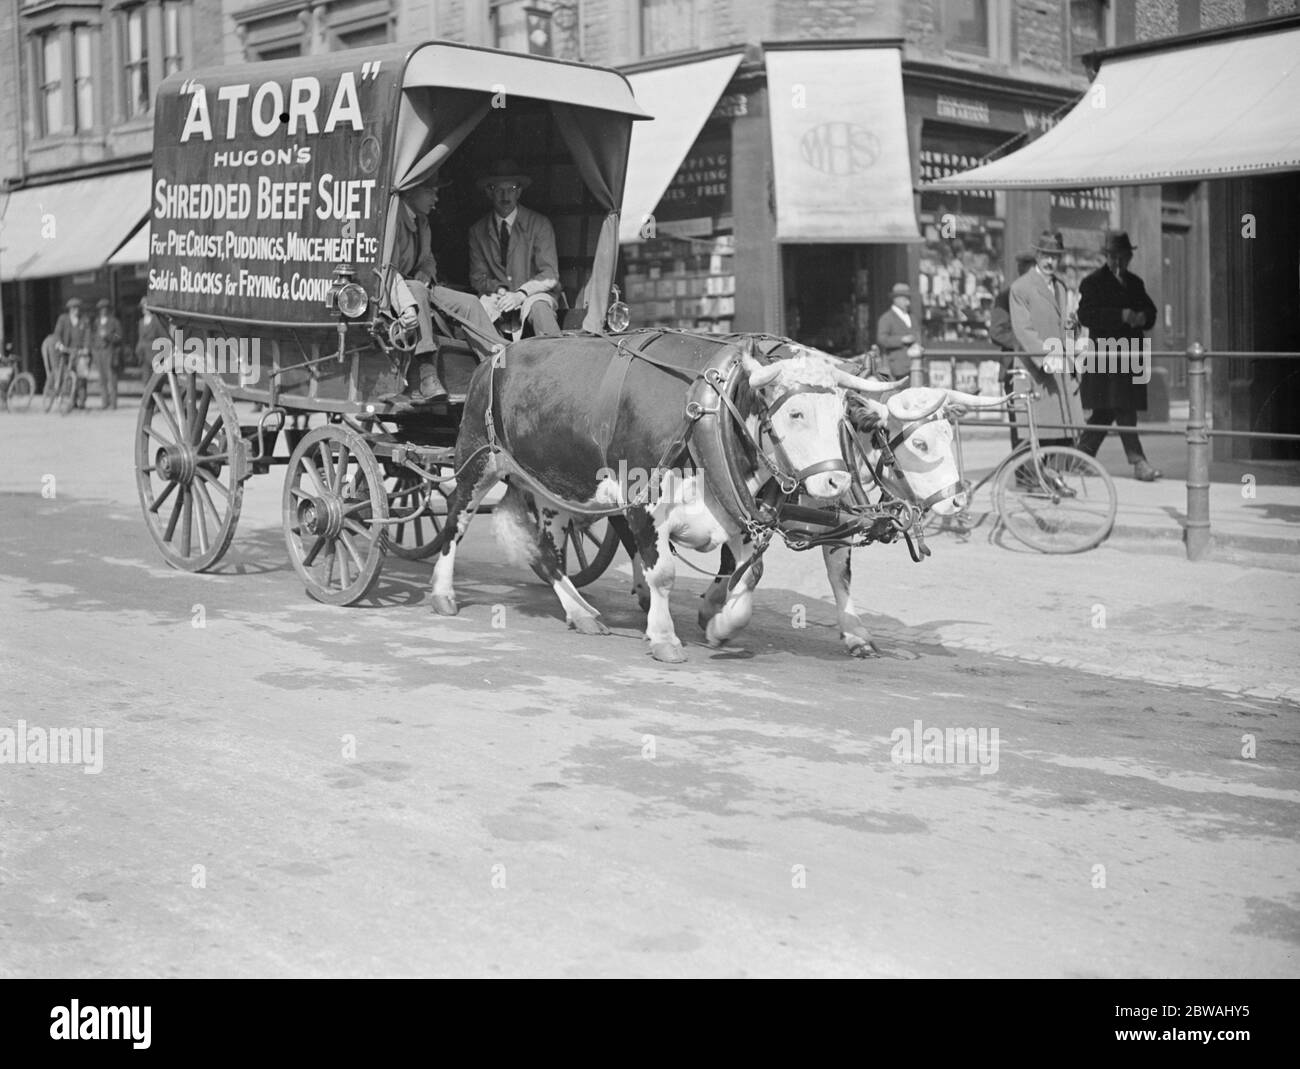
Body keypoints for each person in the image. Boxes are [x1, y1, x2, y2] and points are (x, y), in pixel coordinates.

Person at [386, 173, 506, 405]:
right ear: (411, 191)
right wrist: (407, 303)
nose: (436, 199)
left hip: (419, 286)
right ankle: (427, 375)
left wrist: (425, 272)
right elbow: (386, 270)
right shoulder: (394, 219)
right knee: (417, 291)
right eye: (431, 192)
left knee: (469, 302)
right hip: (395, 292)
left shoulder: (421, 222)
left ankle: (498, 366)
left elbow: (428, 259)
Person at [1077, 230, 1161, 481]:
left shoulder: (1135, 283)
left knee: (1107, 410)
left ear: (1129, 257)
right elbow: (1086, 316)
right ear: (1106, 257)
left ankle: (1081, 455)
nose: (1118, 262)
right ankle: (1138, 462)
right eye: (1113, 257)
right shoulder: (1092, 282)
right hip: (1106, 356)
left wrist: (1143, 316)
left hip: (1129, 356)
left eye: (1122, 257)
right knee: (1123, 407)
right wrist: (1120, 315)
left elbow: (1151, 310)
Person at [468, 159, 561, 339]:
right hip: (498, 296)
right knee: (483, 311)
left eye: (511, 189)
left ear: (519, 192)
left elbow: (549, 273)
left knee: (539, 308)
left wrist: (520, 294)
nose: (505, 196)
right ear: (489, 192)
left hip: (533, 294)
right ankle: (496, 364)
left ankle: (557, 361)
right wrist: (501, 290)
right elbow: (478, 277)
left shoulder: (539, 224)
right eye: (499, 190)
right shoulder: (477, 231)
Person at [1009, 230, 1084, 452]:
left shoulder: (1060, 287)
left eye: (1055, 257)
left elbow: (1065, 324)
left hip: (1060, 369)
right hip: (1038, 370)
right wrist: (1045, 357)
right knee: (1040, 432)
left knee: (1064, 432)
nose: (1050, 261)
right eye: (1046, 256)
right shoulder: (1021, 287)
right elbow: (1023, 329)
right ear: (1037, 255)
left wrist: (1072, 330)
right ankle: (1039, 480)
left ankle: (1056, 478)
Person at [989, 251, 1036, 449]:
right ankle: (1024, 474)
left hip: (1037, 367)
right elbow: (997, 332)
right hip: (1016, 367)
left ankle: (1041, 471)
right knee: (1020, 424)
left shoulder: (1041, 296)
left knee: (1039, 423)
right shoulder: (1006, 296)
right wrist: (1024, 344)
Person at [53, 297, 91, 410]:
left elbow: (88, 335)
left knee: (81, 377)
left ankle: (82, 401)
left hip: (79, 352)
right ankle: (72, 400)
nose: (76, 310)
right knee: (68, 376)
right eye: (74, 308)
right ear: (69, 309)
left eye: (78, 308)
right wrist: (59, 343)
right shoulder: (63, 319)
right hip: (67, 351)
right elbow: (57, 332)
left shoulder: (84, 320)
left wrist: (86, 348)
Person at [875, 282, 917, 380]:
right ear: (896, 299)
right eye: (905, 299)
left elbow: (917, 334)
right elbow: (882, 339)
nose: (908, 303)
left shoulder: (912, 317)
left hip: (915, 366)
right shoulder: (886, 318)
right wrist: (901, 340)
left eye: (908, 299)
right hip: (897, 368)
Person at [89, 298, 122, 410]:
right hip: (99, 353)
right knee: (102, 379)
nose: (103, 311)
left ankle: (113, 403)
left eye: (105, 309)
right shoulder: (96, 322)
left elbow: (119, 336)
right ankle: (104, 402)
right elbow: (92, 336)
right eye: (101, 309)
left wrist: (108, 336)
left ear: (109, 310)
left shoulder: (114, 321)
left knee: (112, 378)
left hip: (110, 352)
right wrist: (93, 349)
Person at [136, 298, 169, 374]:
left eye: (147, 307)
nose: (145, 309)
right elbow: (140, 338)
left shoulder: (156, 320)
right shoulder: (141, 322)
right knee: (146, 378)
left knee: (156, 379)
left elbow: (164, 337)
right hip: (144, 354)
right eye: (143, 307)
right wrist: (138, 350)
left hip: (155, 353)